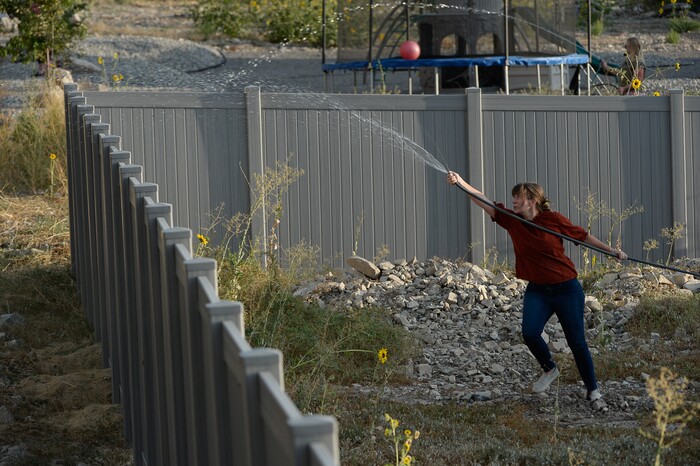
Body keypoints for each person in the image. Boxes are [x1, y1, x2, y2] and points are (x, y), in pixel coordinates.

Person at [446, 172, 628, 406]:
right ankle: (550, 369)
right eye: (513, 197)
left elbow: (582, 236)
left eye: (518, 197)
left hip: (566, 289)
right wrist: (460, 182)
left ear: (532, 200)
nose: (513, 201)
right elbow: (484, 200)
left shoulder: (553, 220)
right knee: (530, 332)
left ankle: (593, 390)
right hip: (538, 290)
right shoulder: (512, 220)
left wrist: (611, 251)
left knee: (577, 343)